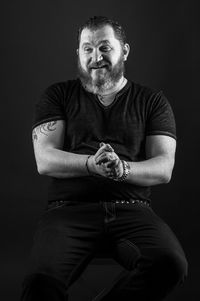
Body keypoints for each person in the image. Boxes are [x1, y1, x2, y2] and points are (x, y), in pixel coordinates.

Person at [21, 16, 188, 300]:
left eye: (104, 47)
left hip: (132, 210)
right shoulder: (57, 95)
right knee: (40, 281)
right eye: (87, 48)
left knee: (170, 264)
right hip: (69, 211)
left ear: (124, 50)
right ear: (78, 53)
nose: (95, 57)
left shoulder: (152, 101)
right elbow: (44, 160)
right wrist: (91, 165)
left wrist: (121, 169)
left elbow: (163, 168)